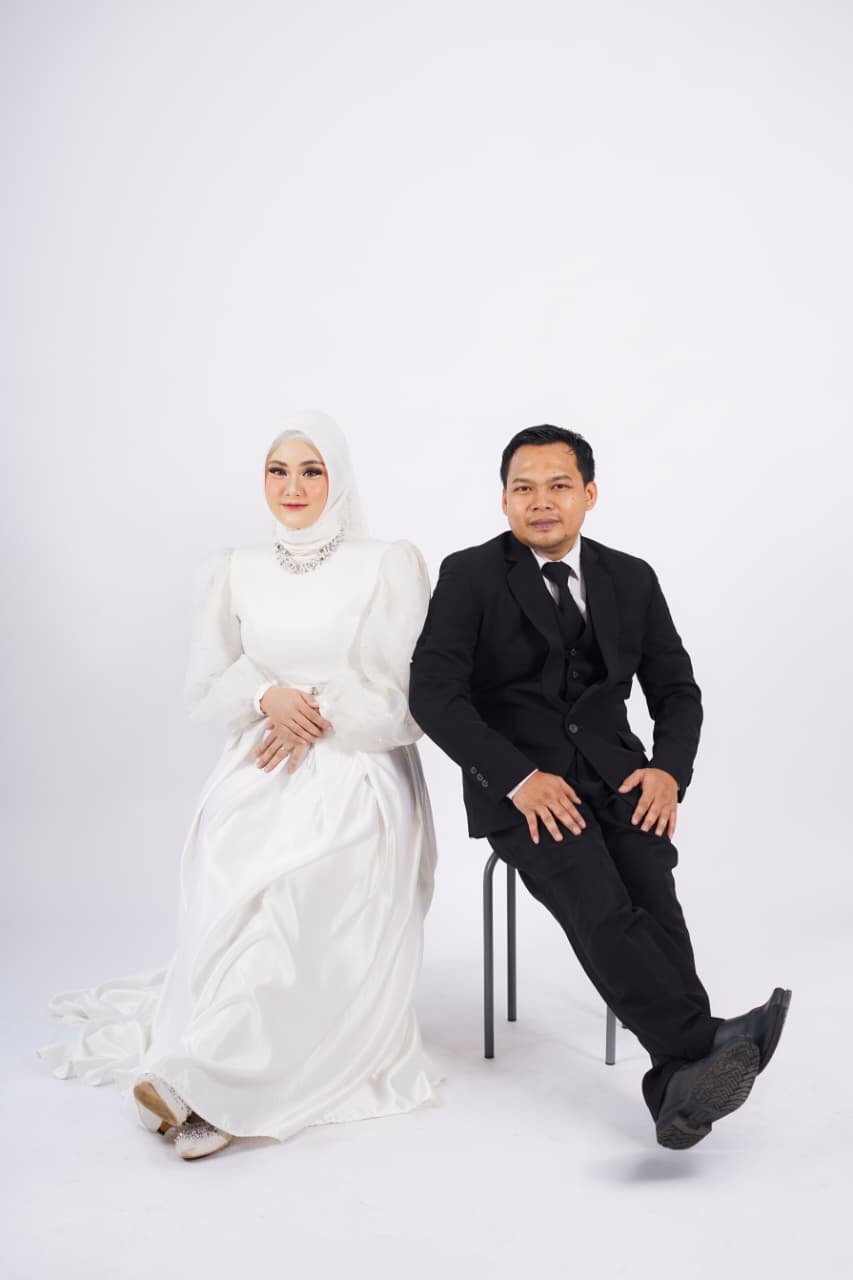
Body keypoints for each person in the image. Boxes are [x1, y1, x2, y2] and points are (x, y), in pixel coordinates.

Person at [39, 411, 439, 1159]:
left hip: (355, 773)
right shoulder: (232, 567)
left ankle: (210, 1090)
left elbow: (404, 696)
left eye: (312, 470)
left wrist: (313, 709)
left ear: (338, 478)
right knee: (232, 879)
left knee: (293, 901)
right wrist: (264, 697)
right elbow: (206, 684)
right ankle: (210, 1079)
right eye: (277, 471)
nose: (293, 486)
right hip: (259, 766)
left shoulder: (388, 563)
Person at [409, 424, 789, 1150]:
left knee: (653, 890)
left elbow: (676, 692)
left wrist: (667, 770)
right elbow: (432, 694)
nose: (540, 502)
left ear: (588, 493)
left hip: (620, 776)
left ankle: (675, 1084)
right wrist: (517, 779)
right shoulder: (469, 574)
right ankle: (699, 1043)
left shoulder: (630, 577)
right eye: (523, 488)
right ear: (503, 500)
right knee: (597, 897)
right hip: (524, 789)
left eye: (558, 486)